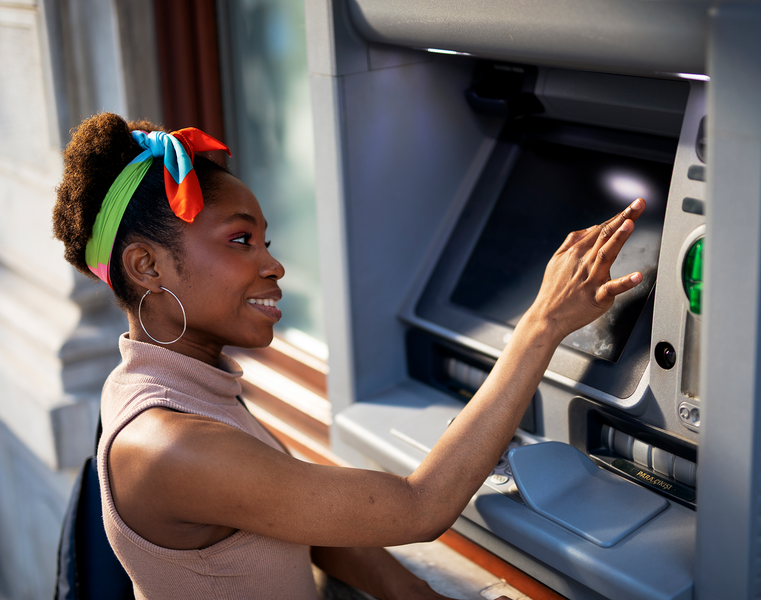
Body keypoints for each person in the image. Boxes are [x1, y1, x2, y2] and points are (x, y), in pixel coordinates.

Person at [52, 112, 646, 600]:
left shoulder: (171, 383)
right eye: (240, 240)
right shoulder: (169, 445)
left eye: (265, 240)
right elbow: (419, 507)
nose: (273, 264)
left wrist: (417, 597)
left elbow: (298, 516)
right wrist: (541, 326)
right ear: (146, 266)